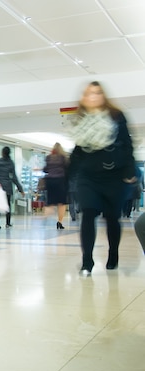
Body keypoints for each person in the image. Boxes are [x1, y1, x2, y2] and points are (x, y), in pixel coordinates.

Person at [69, 81, 136, 275]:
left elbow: (127, 143)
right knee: (88, 214)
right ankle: (87, 261)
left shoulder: (116, 116)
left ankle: (113, 253)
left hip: (114, 175)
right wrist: (69, 173)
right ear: (84, 97)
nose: (93, 96)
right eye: (89, 93)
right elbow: (78, 150)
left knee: (112, 218)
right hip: (88, 176)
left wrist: (129, 170)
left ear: (103, 96)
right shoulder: (81, 120)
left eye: (97, 93)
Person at [0, 146, 24, 229]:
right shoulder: (10, 163)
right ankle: (7, 223)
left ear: (2, 153)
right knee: (7, 205)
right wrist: (20, 189)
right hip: (7, 187)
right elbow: (14, 177)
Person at [43, 142, 70, 229]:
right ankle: (59, 222)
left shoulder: (48, 158)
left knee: (50, 201)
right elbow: (68, 170)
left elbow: (45, 169)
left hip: (50, 181)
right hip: (60, 181)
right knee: (62, 203)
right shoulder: (63, 158)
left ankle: (47, 213)